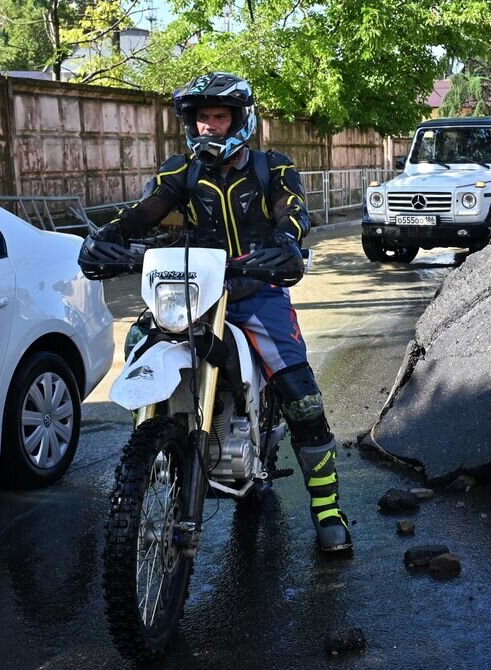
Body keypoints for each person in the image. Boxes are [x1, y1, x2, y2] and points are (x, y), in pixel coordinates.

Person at [80, 72, 351, 553]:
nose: (208, 125)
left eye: (219, 116)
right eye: (202, 117)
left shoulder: (273, 167)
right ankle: (154, 449)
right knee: (140, 343)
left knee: (301, 394)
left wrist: (286, 242)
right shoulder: (181, 171)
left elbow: (292, 212)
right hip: (191, 291)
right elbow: (147, 209)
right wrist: (109, 236)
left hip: (255, 290)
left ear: (240, 120)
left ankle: (327, 508)